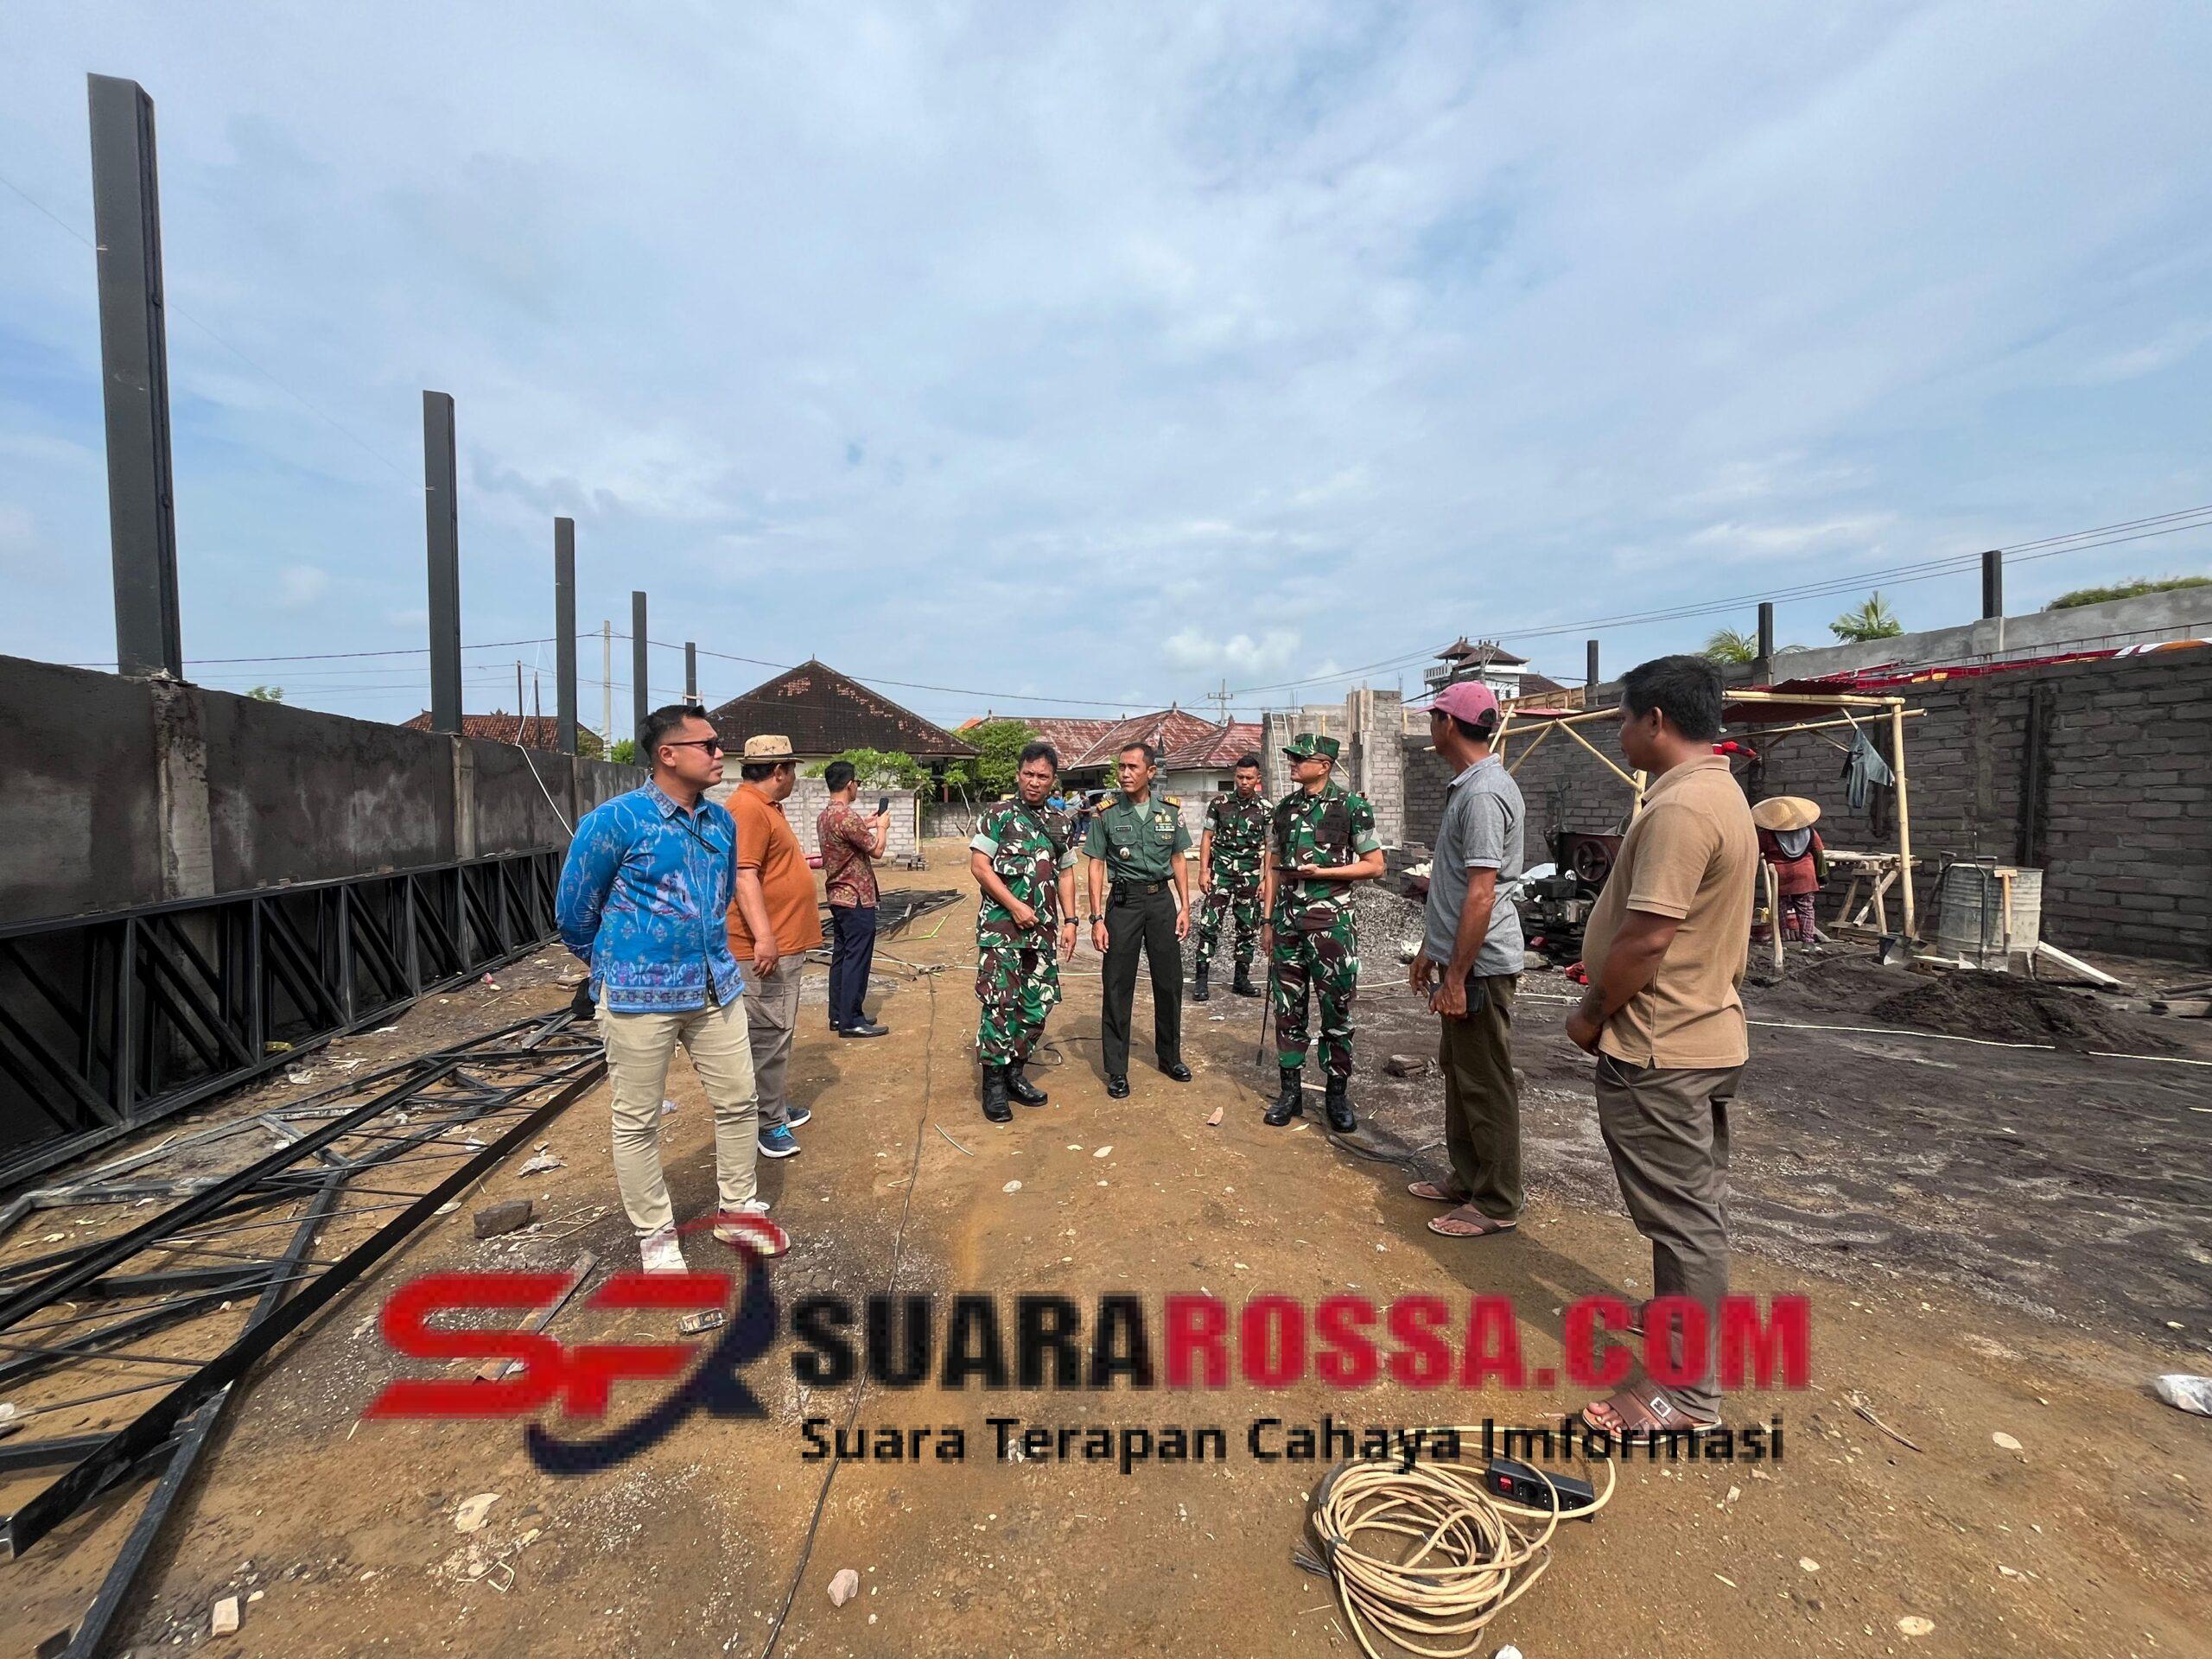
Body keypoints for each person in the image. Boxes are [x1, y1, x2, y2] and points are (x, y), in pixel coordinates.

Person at [1565, 655, 1757, 1438]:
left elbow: (1646, 940)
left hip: (1662, 1045)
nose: (1619, 732)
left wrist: (1591, 1013)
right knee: (1690, 1210)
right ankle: (1683, 1325)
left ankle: (1685, 1393)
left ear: (1655, 720)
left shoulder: (1681, 808)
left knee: (1683, 1221)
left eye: (1623, 718)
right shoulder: (1717, 792)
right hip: (1700, 1030)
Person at [555, 705, 784, 1271]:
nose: (719, 754)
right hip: (638, 998)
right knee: (638, 1120)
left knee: (740, 1102)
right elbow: (574, 912)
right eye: (707, 745)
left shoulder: (721, 822)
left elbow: (723, 894)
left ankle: (737, 1211)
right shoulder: (615, 821)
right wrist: (617, 964)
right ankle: (655, 1235)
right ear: (668, 754)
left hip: (715, 990)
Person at [1404, 681, 1526, 1240]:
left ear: (1448, 724)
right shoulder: (1471, 787)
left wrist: (1455, 976)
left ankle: (1497, 1200)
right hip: (1462, 957)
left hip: (1480, 963)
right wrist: (1431, 950)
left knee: (1485, 1080)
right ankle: (1470, 1178)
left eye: (1433, 717)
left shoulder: (1482, 795)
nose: (1430, 726)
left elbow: (1481, 893)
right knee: (1460, 1070)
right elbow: (1456, 888)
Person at [1260, 734, 1385, 1132]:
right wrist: (1267, 922)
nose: (1293, 764)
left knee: (1336, 1010)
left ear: (1324, 766)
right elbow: (1272, 867)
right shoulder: (1284, 809)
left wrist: (1324, 873)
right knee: (1287, 1009)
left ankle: (1336, 1094)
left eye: (1301, 758)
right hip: (1287, 924)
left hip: (1331, 925)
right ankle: (1290, 1093)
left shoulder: (1351, 807)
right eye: (1292, 758)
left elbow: (1375, 865)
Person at [724, 734, 823, 1160]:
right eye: (793, 769)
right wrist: (765, 937)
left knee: (776, 1031)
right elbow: (743, 875)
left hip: (779, 940)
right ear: (780, 771)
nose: (795, 777)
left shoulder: (765, 807)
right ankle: (766, 1122)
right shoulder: (748, 809)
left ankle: (773, 1105)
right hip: (763, 948)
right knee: (767, 1034)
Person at [969, 741, 1080, 1122]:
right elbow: (980, 867)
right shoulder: (997, 816)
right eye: (1028, 774)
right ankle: (994, 1085)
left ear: (1053, 781)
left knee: (1038, 1003)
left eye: (1042, 776)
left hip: (1043, 933)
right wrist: (1014, 905)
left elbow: (1066, 873)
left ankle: (1016, 1073)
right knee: (1000, 1004)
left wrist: (1071, 921)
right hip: (1001, 931)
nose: (1034, 782)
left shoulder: (1061, 823)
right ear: (1018, 775)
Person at [1085, 741, 1193, 1098]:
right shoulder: (1106, 814)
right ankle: (1117, 1069)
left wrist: (1185, 907)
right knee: (1117, 985)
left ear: (1151, 772)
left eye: (1133, 767)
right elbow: (1096, 865)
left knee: (1169, 982)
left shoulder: (1170, 811)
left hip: (1161, 901)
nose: (1125, 773)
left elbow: (1178, 858)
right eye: (1121, 767)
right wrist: (1097, 918)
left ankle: (1170, 1057)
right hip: (1124, 903)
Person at [817, 760, 891, 1037]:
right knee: (857, 959)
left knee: (842, 956)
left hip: (838, 895)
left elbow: (849, 835)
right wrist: (881, 827)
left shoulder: (826, 816)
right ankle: (852, 1020)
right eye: (857, 783)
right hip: (856, 896)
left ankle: (839, 1015)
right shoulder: (847, 817)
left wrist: (868, 823)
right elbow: (877, 850)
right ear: (850, 785)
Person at [1193, 753, 1270, 1003]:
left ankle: (1241, 979)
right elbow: (1207, 837)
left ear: (1258, 778)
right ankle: (1201, 980)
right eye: (1240, 777)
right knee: (1209, 925)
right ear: (1234, 777)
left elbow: (1271, 847)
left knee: (1247, 927)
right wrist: (1203, 871)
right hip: (1221, 874)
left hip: (1250, 876)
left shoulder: (1266, 809)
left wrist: (1266, 879)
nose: (1244, 782)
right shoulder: (1219, 804)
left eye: (1249, 778)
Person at [1751, 797, 1827, 944]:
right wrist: (1822, 876)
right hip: (1805, 876)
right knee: (1806, 909)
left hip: (1780, 877)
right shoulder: (1810, 832)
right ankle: (1808, 942)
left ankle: (1782, 938)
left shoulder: (1767, 835)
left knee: (1779, 908)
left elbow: (1755, 852)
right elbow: (1819, 853)